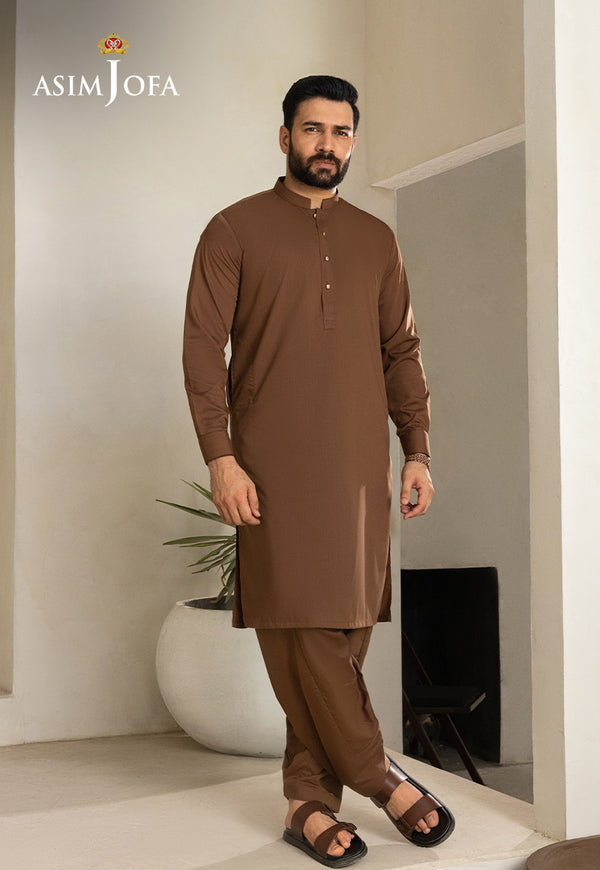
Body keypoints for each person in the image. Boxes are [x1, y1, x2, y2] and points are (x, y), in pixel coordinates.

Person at [183, 75, 454, 866]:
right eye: (312, 129)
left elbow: (402, 350)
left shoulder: (375, 239)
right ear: (285, 137)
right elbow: (202, 348)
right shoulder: (233, 230)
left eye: (340, 131)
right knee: (301, 622)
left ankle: (306, 802)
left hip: (360, 467)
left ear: (352, 141)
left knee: (343, 628)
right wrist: (221, 457)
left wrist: (417, 448)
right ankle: (380, 777)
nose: (326, 144)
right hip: (269, 463)